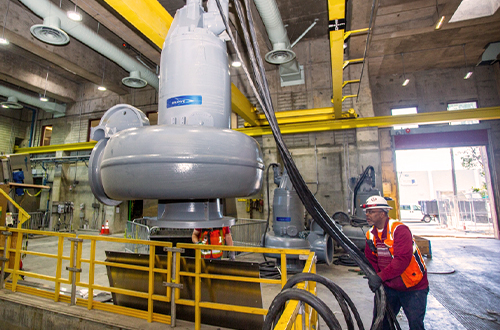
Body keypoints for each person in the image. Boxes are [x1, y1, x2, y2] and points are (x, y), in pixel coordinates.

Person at [362, 195, 429, 330]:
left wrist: (379, 277)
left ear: (382, 214)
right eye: (367, 212)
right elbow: (371, 259)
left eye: (371, 212)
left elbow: (402, 260)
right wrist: (374, 277)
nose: (367, 215)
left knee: (415, 324)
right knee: (381, 324)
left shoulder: (399, 230)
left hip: (413, 287)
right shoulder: (370, 235)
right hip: (389, 286)